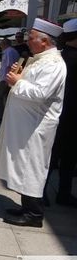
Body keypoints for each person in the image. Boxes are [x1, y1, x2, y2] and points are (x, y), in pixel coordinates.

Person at [0, 18, 66, 228]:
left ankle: (34, 214)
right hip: (27, 124)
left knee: (32, 166)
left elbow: (41, 93)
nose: (28, 41)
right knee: (23, 164)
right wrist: (16, 77)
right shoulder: (39, 59)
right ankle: (26, 206)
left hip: (37, 127)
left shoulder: (53, 64)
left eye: (31, 38)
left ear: (44, 41)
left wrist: (17, 82)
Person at [47, 18, 77, 207]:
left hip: (56, 114)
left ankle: (41, 193)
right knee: (68, 159)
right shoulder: (70, 58)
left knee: (51, 157)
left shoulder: (59, 57)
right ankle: (63, 194)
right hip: (70, 116)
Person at [0, 39, 19, 122]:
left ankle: (3, 117)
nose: (0, 46)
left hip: (5, 79)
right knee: (5, 98)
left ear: (4, 44)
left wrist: (7, 80)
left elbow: (10, 66)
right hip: (6, 78)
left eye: (1, 44)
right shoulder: (10, 51)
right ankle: (7, 116)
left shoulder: (8, 52)